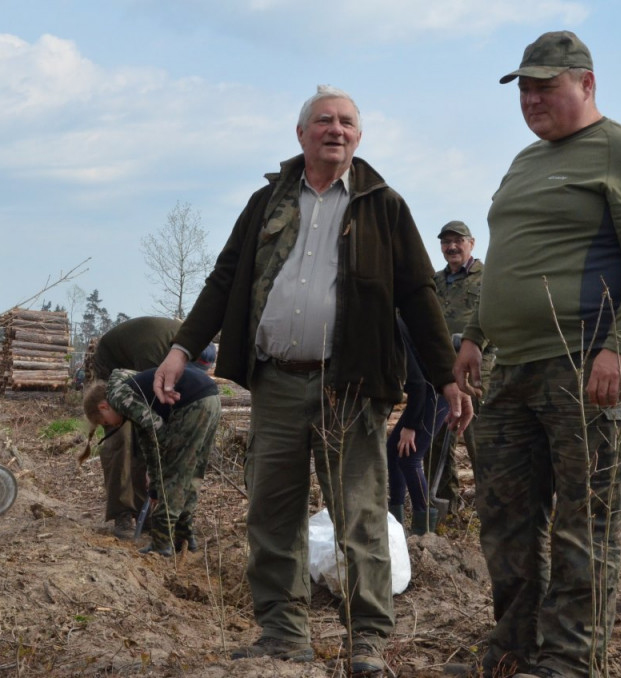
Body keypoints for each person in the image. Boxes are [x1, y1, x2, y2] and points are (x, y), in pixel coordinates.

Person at [153, 85, 471, 676]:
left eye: (347, 122)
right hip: (276, 383)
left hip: (349, 390)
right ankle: (283, 634)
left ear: (359, 135)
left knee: (362, 515)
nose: (336, 130)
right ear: (301, 134)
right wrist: (181, 348)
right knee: (272, 513)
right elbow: (224, 280)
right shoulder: (267, 201)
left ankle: (368, 643)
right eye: (324, 120)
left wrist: (447, 379)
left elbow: (419, 297)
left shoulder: (384, 205)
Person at [451, 32, 621, 678]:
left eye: (545, 84)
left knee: (585, 519)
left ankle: (571, 660)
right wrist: (475, 335)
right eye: (523, 87)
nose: (530, 97)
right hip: (514, 366)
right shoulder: (525, 161)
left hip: (589, 361)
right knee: (506, 519)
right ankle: (515, 647)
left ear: (587, 83)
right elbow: (511, 262)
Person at [83, 316, 214, 540]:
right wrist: (156, 465)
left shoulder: (195, 343)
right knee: (123, 437)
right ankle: (123, 512)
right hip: (113, 364)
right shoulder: (154, 355)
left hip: (141, 366)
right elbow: (151, 418)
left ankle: (149, 511)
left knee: (150, 437)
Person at [427, 220, 491, 514]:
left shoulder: (488, 277)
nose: (452, 246)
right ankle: (445, 510)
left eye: (458, 240)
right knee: (438, 440)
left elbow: (497, 319)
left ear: (472, 243)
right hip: (441, 371)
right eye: (446, 242)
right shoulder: (435, 282)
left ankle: (490, 510)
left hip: (480, 373)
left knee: (481, 441)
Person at [386, 319, 448, 536]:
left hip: (435, 393)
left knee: (409, 457)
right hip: (425, 393)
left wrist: (411, 426)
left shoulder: (390, 329)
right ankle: (395, 522)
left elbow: (418, 384)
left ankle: (424, 529)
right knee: (392, 451)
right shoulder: (388, 324)